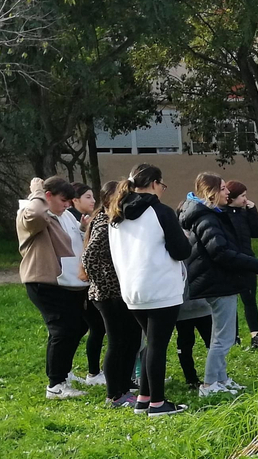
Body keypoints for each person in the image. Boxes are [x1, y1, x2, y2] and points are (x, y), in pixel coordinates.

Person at [107, 163, 191, 418]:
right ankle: (157, 403)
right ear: (154, 183)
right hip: (160, 286)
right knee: (156, 346)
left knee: (150, 343)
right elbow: (181, 251)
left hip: (132, 289)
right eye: (162, 185)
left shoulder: (116, 213)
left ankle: (143, 398)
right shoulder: (160, 211)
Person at [180, 172, 258, 397]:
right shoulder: (206, 218)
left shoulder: (207, 214)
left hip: (216, 281)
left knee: (221, 335)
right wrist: (255, 265)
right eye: (224, 188)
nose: (228, 192)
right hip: (216, 282)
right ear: (212, 192)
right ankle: (209, 385)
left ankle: (221, 378)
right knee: (223, 337)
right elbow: (219, 251)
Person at [17, 176, 89, 400]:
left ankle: (63, 373)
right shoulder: (31, 213)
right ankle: (55, 385)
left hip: (66, 283)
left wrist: (82, 228)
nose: (67, 204)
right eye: (63, 199)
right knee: (62, 329)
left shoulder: (62, 214)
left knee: (78, 326)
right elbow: (36, 214)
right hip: (43, 281)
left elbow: (71, 240)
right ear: (48, 196)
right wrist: (37, 192)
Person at [81, 180, 139, 407]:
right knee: (118, 341)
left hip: (118, 293)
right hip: (109, 295)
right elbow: (90, 257)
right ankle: (114, 394)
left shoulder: (114, 222)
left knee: (131, 339)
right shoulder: (105, 224)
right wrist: (105, 286)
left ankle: (125, 385)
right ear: (109, 200)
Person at [221, 180, 258, 351]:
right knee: (231, 301)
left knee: (250, 300)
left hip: (248, 261)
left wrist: (253, 210)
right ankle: (233, 336)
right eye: (242, 196)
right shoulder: (223, 215)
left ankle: (255, 335)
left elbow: (257, 232)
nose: (245, 199)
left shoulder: (244, 213)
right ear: (232, 198)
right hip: (232, 263)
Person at [68, 182, 107, 387]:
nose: (93, 201)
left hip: (84, 283)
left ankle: (65, 369)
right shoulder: (73, 220)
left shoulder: (84, 221)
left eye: (93, 197)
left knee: (83, 327)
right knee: (97, 326)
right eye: (88, 197)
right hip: (82, 284)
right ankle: (93, 373)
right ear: (75, 200)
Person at [174, 297, 213, 391]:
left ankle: (216, 375)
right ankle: (191, 378)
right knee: (185, 346)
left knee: (213, 343)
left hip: (204, 308)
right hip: (182, 311)